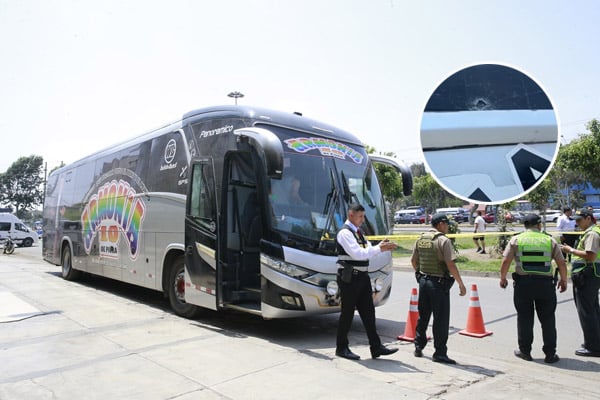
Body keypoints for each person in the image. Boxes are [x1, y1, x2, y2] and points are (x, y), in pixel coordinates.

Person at [499, 213, 568, 363]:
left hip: (523, 285)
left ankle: (525, 352)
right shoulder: (549, 240)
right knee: (548, 319)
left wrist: (503, 278)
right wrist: (564, 280)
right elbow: (561, 263)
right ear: (539, 225)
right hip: (545, 285)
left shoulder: (516, 239)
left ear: (524, 225)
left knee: (524, 318)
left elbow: (506, 261)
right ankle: (550, 354)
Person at [335, 203, 398, 360]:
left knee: (369, 312)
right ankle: (341, 348)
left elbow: (368, 251)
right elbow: (358, 254)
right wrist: (379, 248)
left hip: (362, 277)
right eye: (360, 216)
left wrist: (381, 246)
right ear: (351, 215)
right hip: (350, 278)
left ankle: (376, 347)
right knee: (347, 313)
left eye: (363, 216)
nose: (363, 220)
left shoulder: (359, 232)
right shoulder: (345, 233)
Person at [412, 212, 467, 364]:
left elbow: (413, 261)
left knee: (423, 317)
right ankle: (440, 353)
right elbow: (450, 264)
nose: (448, 226)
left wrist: (420, 274)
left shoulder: (421, 239)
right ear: (441, 224)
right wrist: (460, 283)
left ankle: (418, 347)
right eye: (447, 224)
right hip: (438, 284)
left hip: (424, 282)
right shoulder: (443, 240)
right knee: (441, 320)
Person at [561, 208, 600, 357]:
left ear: (588, 218)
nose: (577, 223)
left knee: (587, 312)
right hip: (589, 275)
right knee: (593, 310)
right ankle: (595, 342)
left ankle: (593, 347)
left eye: (579, 220)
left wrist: (570, 250)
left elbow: (590, 256)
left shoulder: (592, 234)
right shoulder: (590, 232)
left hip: (587, 275)